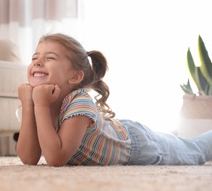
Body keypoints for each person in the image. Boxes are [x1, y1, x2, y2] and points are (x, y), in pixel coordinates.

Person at [15, 33, 212, 167]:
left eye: (49, 58)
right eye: (34, 58)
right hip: (121, 132)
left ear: (75, 77)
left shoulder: (79, 101)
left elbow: (56, 158)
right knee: (177, 141)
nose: (38, 62)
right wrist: (28, 105)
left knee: (194, 152)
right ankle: (170, 136)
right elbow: (29, 157)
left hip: (138, 146)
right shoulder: (38, 100)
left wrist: (39, 104)